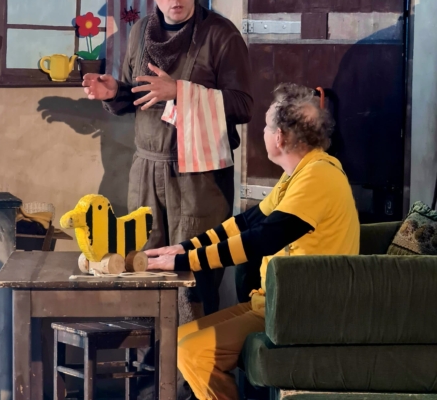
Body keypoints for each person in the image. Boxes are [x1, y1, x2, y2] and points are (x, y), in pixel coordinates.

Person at [145, 83, 361, 400]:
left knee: (194, 352)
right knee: (178, 341)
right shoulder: (299, 172)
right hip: (274, 302)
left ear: (280, 137)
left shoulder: (319, 176)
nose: (262, 132)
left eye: (266, 126)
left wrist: (183, 261)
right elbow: (248, 222)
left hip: (301, 309)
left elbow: (262, 240)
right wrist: (185, 247)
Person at [82, 0, 253, 322]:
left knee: (193, 277)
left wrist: (180, 91)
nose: (176, 1)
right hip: (146, 171)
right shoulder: (140, 32)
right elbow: (136, 96)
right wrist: (115, 93)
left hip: (199, 178)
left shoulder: (221, 34)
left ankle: (190, 355)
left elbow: (243, 105)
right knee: (140, 267)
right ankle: (147, 353)